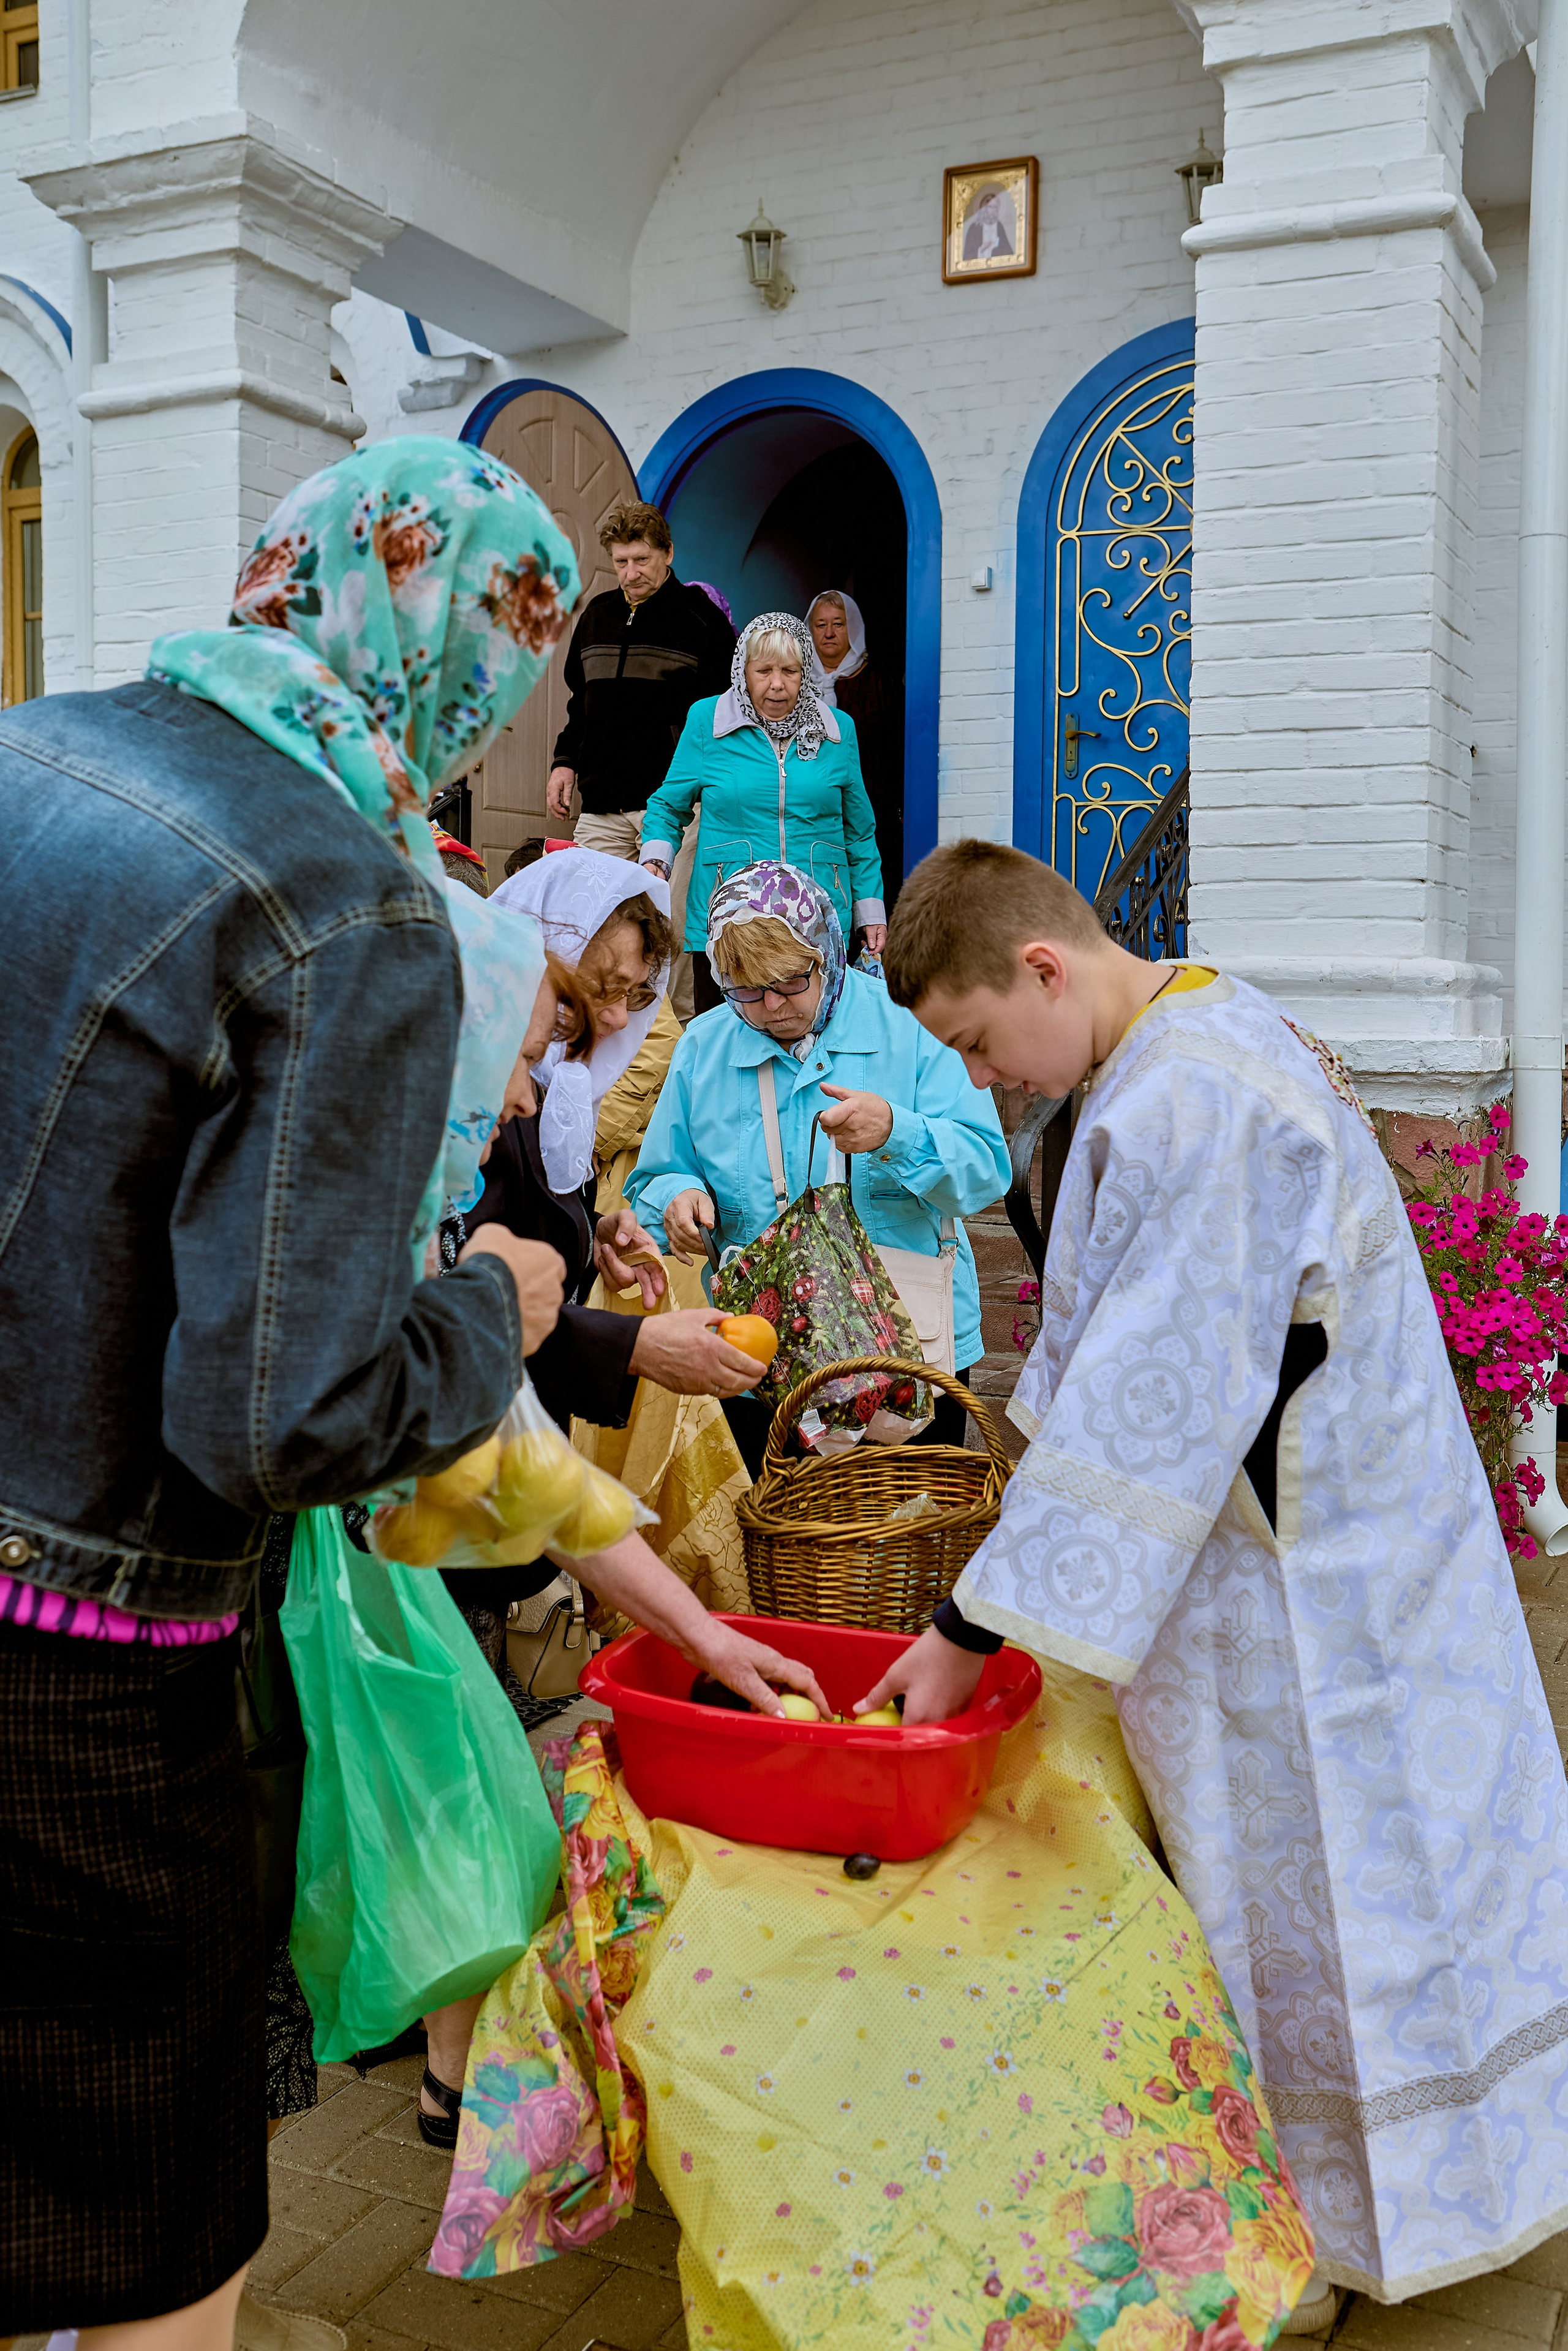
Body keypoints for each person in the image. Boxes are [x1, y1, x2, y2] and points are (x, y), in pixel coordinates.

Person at [0, 436, 584, 2350]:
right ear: (461, 657)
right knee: (145, 2229)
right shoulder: (349, 898)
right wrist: (493, 1302)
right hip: (85, 1669)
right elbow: (284, 1412)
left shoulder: (31, 750)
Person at [870, 837, 1568, 2318]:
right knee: (1377, 1877)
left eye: (980, 1040)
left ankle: (1322, 2233)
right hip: (1323, 1551)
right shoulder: (1189, 1028)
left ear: (1042, 965)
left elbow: (1148, 1397)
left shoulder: (1185, 1096)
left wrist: (962, 1621)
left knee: (1334, 1888)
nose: (991, 1079)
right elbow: (1112, 1342)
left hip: (1316, 1592)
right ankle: (1390, 2200)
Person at [626, 861, 1009, 1476]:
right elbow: (657, 1176)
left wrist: (896, 1132)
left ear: (827, 953)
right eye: (746, 990)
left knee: (908, 1541)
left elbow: (984, 1172)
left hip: (907, 1354)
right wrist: (678, 1198)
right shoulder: (705, 1045)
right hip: (763, 1362)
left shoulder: (912, 1024)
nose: (773, 1007)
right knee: (781, 1547)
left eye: (790, 983)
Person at [640, 614, 886, 1016]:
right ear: (743, 671)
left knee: (813, 1039)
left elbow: (859, 832)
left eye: (790, 671)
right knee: (727, 1045)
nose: (777, 684)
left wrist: (871, 910)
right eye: (765, 671)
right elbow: (669, 805)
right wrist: (655, 862)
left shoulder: (838, 731)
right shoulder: (708, 722)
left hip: (817, 918)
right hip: (731, 919)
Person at [546, 500, 734, 1019]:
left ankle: (672, 1049)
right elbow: (578, 705)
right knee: (592, 920)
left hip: (675, 807)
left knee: (668, 931)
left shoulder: (704, 623)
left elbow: (725, 718)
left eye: (642, 561)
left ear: (668, 554)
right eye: (622, 562)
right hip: (602, 803)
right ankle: (596, 1037)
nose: (631, 574)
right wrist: (565, 762)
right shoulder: (597, 616)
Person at [807, 587, 903, 905]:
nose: (829, 633)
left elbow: (895, 745)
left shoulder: (880, 684)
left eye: (839, 623)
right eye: (820, 625)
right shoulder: (794, 683)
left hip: (871, 804)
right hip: (812, 807)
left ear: (855, 629)